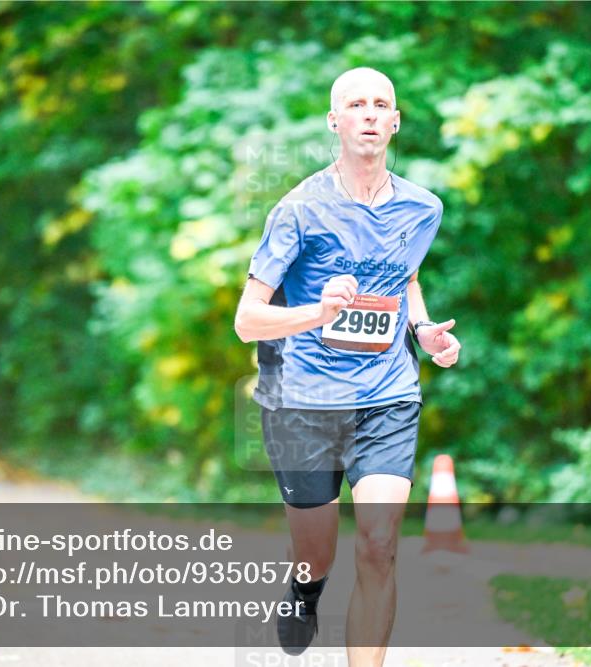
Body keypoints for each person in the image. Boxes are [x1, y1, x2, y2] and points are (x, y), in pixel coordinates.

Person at [234, 67, 461, 666]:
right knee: (317, 555)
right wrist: (319, 311)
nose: (368, 113)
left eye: (380, 104)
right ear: (334, 122)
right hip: (303, 403)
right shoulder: (298, 211)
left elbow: (405, 277)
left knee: (380, 545)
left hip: (387, 396)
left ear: (395, 121)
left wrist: (423, 329)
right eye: (354, 104)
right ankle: (305, 592)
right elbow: (247, 319)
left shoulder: (423, 208)